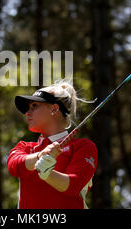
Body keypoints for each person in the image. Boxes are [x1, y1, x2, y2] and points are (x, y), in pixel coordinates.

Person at [7, 80, 98, 209]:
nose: (27, 112)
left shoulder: (83, 146)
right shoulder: (26, 147)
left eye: (34, 106)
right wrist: (39, 156)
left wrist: (47, 173)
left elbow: (73, 186)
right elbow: (14, 167)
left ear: (54, 109)